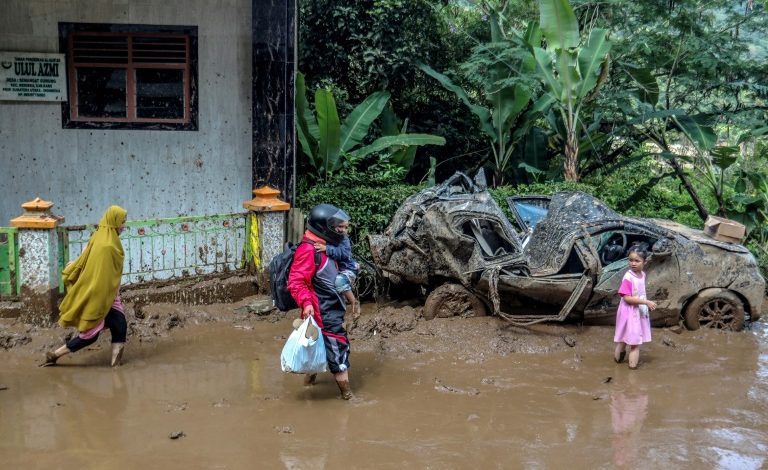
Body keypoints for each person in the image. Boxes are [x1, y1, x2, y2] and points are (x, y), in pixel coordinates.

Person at [42, 205, 128, 368]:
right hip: (100, 295)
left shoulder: (99, 237)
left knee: (120, 325)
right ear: (114, 221)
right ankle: (54, 355)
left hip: (109, 295)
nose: (124, 226)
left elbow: (86, 258)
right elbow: (99, 273)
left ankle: (116, 365)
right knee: (90, 335)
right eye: (122, 222)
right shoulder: (108, 246)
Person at [288, 204, 354, 400]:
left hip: (329, 308)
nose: (342, 231)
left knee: (315, 347)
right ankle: (348, 396)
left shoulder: (327, 245)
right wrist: (307, 303)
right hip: (323, 312)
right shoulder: (309, 250)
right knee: (338, 348)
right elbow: (296, 281)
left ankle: (308, 385)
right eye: (338, 227)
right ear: (325, 228)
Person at [613, 242, 657, 369]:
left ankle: (617, 366)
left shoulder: (642, 275)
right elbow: (627, 298)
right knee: (634, 344)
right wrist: (646, 302)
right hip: (629, 312)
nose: (633, 263)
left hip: (638, 311)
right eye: (631, 260)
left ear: (645, 262)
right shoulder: (628, 277)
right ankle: (632, 373)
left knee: (624, 339)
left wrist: (644, 303)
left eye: (637, 261)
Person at [313, 216, 360, 320]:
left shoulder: (344, 239)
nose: (343, 230)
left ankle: (354, 302)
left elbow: (344, 253)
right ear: (332, 226)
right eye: (340, 226)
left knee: (339, 282)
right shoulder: (330, 236)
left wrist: (327, 249)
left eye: (346, 227)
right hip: (338, 270)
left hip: (348, 269)